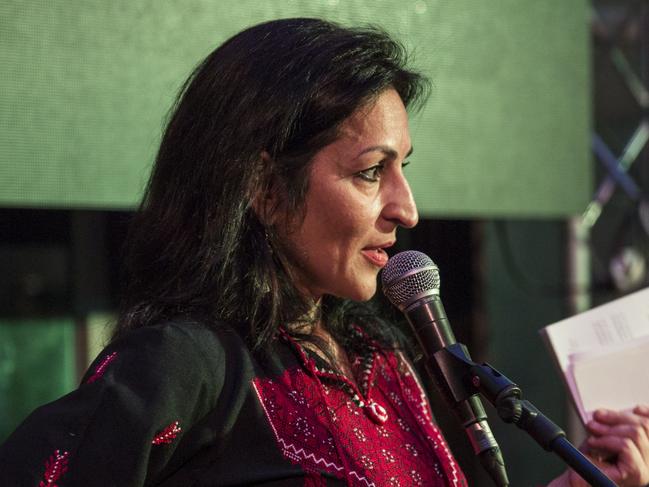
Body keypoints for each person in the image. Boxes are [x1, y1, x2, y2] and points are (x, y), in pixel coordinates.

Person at [0, 17, 647, 486]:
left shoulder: (384, 359)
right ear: (261, 186)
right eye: (371, 171)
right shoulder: (187, 362)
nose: (406, 208)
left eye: (404, 168)